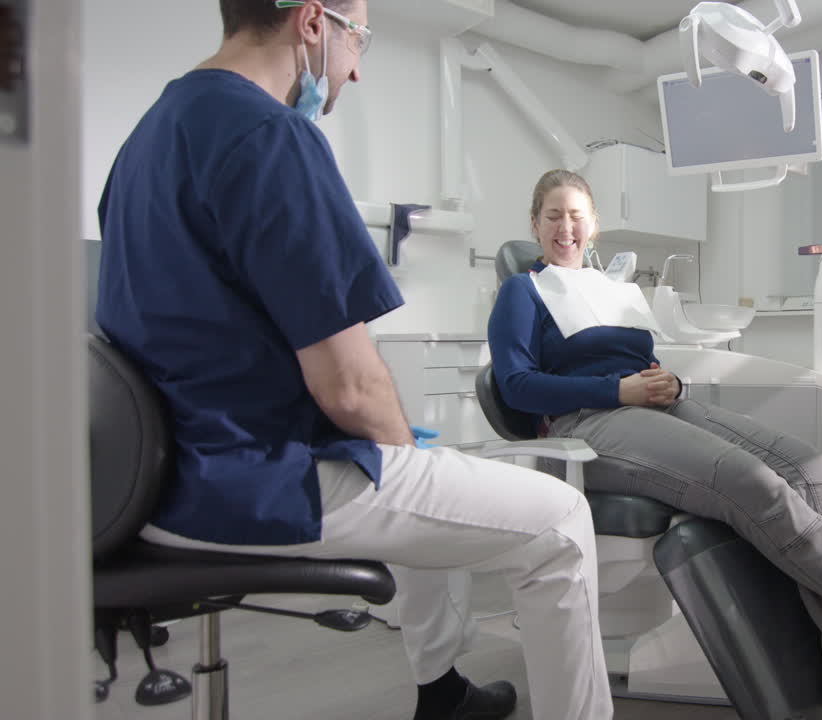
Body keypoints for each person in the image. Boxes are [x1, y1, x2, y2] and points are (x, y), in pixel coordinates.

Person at [94, 3, 613, 719]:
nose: (358, 66)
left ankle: (442, 692)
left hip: (153, 484)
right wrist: (405, 455)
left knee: (410, 475)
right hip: (249, 481)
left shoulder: (147, 138)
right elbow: (351, 384)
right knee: (560, 524)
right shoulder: (272, 135)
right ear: (314, 22)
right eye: (358, 39)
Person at [488, 169, 822, 709]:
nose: (566, 227)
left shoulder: (616, 290)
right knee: (753, 483)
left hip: (656, 404)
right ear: (534, 225)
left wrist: (669, 381)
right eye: (553, 216)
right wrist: (618, 390)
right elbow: (516, 387)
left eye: (576, 216)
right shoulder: (522, 291)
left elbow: (645, 363)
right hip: (589, 425)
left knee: (809, 466)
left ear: (595, 226)